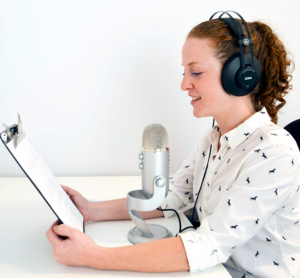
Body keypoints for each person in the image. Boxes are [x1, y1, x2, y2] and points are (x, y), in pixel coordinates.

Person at [46, 13, 300, 277]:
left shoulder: (274, 153)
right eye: (184, 71)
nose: (184, 84)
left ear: (239, 76)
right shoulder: (213, 138)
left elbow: (208, 246)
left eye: (196, 72)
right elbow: (172, 197)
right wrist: (92, 210)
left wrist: (94, 256)